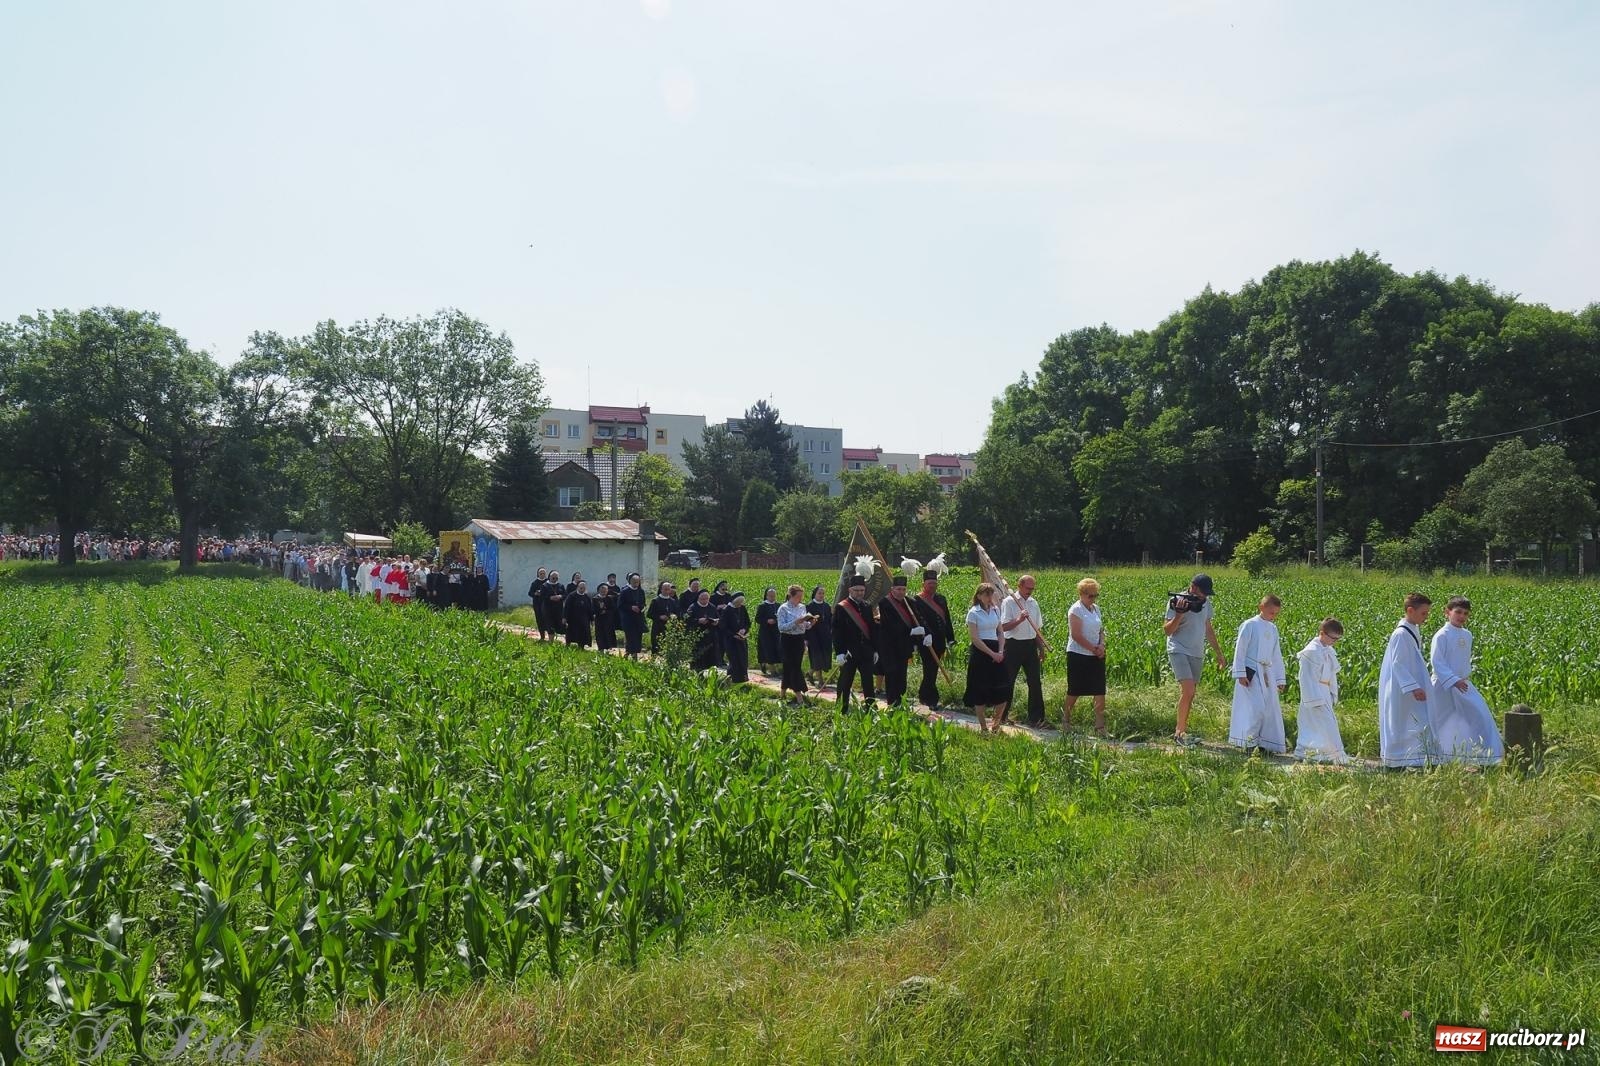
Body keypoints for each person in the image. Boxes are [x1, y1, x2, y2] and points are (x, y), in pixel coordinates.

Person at [1430, 597, 1503, 765]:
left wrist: (1461, 679)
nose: (1461, 616)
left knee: (1478, 714)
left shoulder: (1467, 635)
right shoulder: (1441, 635)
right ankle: (1437, 754)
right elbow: (1437, 661)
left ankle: (1485, 754)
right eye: (1458, 612)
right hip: (1443, 685)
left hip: (1463, 684)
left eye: (1465, 613)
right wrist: (1453, 680)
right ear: (1447, 612)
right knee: (1439, 719)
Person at [1163, 573, 1227, 746]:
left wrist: (1218, 653)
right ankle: (1179, 734)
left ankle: (1182, 731)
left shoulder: (1206, 603)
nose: (1204, 597)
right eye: (1202, 592)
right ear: (1193, 587)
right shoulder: (1176, 601)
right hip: (1178, 648)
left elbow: (1208, 628)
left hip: (1196, 652)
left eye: (1206, 594)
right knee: (1188, 690)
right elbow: (1168, 631)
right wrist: (1179, 614)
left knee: (1190, 694)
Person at [1379, 592, 1435, 767]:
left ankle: (1416, 757)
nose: (1426, 617)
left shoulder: (1412, 629)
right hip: (1402, 687)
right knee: (1402, 721)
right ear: (1410, 611)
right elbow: (1398, 663)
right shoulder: (1401, 634)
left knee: (1414, 720)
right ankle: (1399, 759)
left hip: (1411, 684)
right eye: (1423, 613)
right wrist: (1413, 687)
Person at [1229, 595, 1288, 754]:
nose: (1273, 616)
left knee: (1269, 708)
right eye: (1271, 613)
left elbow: (1276, 654)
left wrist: (1279, 678)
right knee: (1255, 708)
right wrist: (1241, 672)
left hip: (1267, 671)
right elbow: (1240, 649)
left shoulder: (1273, 629)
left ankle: (1265, 743)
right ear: (1261, 608)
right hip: (1252, 671)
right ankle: (1247, 742)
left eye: (1276, 613)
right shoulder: (1249, 625)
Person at [1293, 617, 1348, 764]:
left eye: (1337, 639)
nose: (1334, 642)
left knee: (1325, 724)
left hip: (1324, 691)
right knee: (1320, 723)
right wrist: (1314, 698)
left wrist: (1331, 692)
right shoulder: (1311, 652)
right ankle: (1314, 752)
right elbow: (1306, 677)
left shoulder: (1327, 650)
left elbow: (1331, 675)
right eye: (1333, 638)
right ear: (1322, 633)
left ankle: (1325, 754)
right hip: (1313, 694)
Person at [1000, 574, 1050, 727]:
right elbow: (1003, 627)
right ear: (1020, 586)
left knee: (1035, 682)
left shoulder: (1034, 603)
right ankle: (1001, 716)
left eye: (1032, 589)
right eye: (1028, 588)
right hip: (1013, 645)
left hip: (1030, 646)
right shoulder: (1009, 602)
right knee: (1008, 681)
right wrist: (1019, 619)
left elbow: (1036, 628)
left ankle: (1036, 718)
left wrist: (1041, 648)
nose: (1030, 591)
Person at [1063, 578, 1107, 736]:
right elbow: (1076, 635)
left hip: (1096, 654)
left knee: (1099, 689)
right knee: (1075, 689)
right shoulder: (1075, 610)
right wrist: (1093, 648)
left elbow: (1101, 630)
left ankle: (1100, 726)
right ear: (1081, 594)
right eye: (1090, 596)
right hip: (1078, 654)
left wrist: (1101, 645)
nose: (1093, 598)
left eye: (1096, 595)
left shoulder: (1096, 609)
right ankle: (1066, 720)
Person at [964, 583, 1009, 734]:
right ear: (979, 596)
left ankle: (996, 725)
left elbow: (1000, 632)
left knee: (1003, 688)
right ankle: (983, 727)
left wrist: (1001, 651)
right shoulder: (973, 613)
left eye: (991, 594)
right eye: (986, 594)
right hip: (981, 653)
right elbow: (975, 638)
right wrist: (992, 654)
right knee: (980, 689)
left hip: (997, 650)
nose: (990, 598)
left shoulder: (996, 610)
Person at [832, 576, 879, 711]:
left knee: (868, 682)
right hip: (849, 652)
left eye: (862, 590)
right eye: (857, 590)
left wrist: (875, 649)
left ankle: (871, 709)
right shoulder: (842, 607)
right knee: (845, 682)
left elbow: (871, 629)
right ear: (850, 590)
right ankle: (842, 708)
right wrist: (839, 652)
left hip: (866, 651)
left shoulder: (867, 606)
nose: (859, 593)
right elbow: (837, 631)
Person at [911, 573, 955, 708]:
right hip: (926, 640)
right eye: (930, 583)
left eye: (934, 583)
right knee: (929, 668)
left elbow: (946, 618)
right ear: (924, 584)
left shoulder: (941, 599)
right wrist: (927, 634)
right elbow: (919, 619)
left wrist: (951, 638)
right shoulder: (917, 599)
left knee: (933, 669)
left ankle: (923, 695)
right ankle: (931, 699)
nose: (932, 586)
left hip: (940, 640)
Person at [875, 576, 920, 707]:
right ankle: (892, 703)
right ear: (892, 589)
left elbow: (917, 618)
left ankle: (901, 701)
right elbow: (891, 625)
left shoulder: (910, 602)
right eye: (898, 589)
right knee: (892, 674)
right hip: (889, 647)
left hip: (904, 646)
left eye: (904, 589)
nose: (901, 592)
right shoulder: (885, 603)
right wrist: (910, 631)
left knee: (902, 675)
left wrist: (920, 634)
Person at [777, 584, 815, 703]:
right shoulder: (783, 608)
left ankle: (782, 693)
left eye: (801, 596)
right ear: (791, 596)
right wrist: (796, 622)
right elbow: (781, 627)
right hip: (787, 640)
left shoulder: (802, 607)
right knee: (794, 667)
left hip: (799, 639)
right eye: (798, 596)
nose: (800, 599)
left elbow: (805, 626)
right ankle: (799, 697)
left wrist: (811, 623)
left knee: (790, 667)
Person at [804, 584, 833, 688]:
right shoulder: (809, 606)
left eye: (823, 593)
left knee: (824, 659)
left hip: (825, 636)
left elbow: (830, 621)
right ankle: (820, 682)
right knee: (817, 658)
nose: (821, 595)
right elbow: (805, 624)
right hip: (814, 636)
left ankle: (810, 673)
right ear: (815, 594)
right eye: (819, 593)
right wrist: (806, 639)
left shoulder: (827, 606)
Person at [685, 588, 720, 670]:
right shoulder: (693, 607)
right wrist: (698, 621)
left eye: (707, 599)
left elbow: (718, 618)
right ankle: (697, 671)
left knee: (710, 658)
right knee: (698, 659)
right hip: (697, 637)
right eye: (702, 599)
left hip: (710, 636)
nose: (705, 601)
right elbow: (686, 620)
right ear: (698, 598)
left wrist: (716, 622)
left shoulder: (712, 607)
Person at [721, 590, 752, 683]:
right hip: (731, 640)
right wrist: (734, 635)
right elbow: (723, 627)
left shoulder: (742, 608)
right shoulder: (727, 610)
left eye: (741, 603)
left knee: (743, 658)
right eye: (738, 603)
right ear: (734, 601)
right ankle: (734, 680)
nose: (740, 605)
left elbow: (747, 622)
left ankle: (743, 677)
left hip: (741, 639)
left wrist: (744, 630)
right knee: (734, 659)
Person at [755, 587, 782, 675]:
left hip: (775, 631)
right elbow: (758, 619)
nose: (772, 597)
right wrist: (767, 621)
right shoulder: (762, 606)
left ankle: (775, 668)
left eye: (774, 596)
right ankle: (770, 669)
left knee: (776, 649)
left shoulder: (778, 605)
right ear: (766, 596)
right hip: (765, 632)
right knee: (767, 649)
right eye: (770, 596)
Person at [620, 573, 647, 658]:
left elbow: (643, 603)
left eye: (637, 582)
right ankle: (629, 652)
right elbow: (620, 605)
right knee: (630, 636)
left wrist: (642, 608)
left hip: (638, 618)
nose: (636, 584)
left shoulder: (641, 591)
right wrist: (631, 607)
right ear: (630, 581)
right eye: (634, 582)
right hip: (628, 618)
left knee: (638, 636)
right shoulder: (625, 591)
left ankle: (635, 654)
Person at [648, 581, 678, 656]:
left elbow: (676, 613)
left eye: (668, 589)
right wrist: (659, 617)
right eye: (665, 589)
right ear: (661, 589)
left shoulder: (673, 601)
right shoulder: (655, 601)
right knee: (656, 646)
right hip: (657, 627)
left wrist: (673, 616)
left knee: (667, 646)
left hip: (669, 627)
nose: (667, 591)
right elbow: (649, 614)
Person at [563, 579, 595, 648]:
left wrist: (592, 619)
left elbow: (590, 609)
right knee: (571, 633)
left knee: (583, 633)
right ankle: (568, 645)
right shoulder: (571, 596)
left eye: (584, 588)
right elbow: (566, 607)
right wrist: (564, 617)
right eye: (581, 588)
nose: (582, 589)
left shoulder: (587, 597)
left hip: (584, 619)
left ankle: (581, 647)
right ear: (577, 587)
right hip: (573, 619)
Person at [594, 580, 618, 652]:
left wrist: (606, 611)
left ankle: (608, 648)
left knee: (608, 633)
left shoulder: (609, 598)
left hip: (608, 619)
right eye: (602, 590)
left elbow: (613, 608)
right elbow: (593, 609)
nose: (604, 591)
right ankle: (601, 648)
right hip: (599, 619)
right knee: (600, 634)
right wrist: (600, 611)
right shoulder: (595, 599)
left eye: (605, 590)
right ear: (599, 590)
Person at [529, 568, 551, 637]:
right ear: (538, 574)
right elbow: (530, 593)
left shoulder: (548, 582)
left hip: (547, 604)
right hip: (537, 604)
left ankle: (550, 635)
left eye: (543, 573)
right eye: (540, 573)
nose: (542, 575)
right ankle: (542, 636)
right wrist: (535, 593)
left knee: (548, 619)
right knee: (539, 619)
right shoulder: (535, 583)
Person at [544, 571, 566, 636]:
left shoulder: (561, 585)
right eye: (553, 578)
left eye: (556, 578)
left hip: (559, 609)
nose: (555, 580)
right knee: (550, 626)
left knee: (560, 626)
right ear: (550, 577)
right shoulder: (545, 586)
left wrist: (560, 596)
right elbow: (542, 597)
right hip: (548, 609)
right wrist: (550, 598)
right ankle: (551, 643)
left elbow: (565, 595)